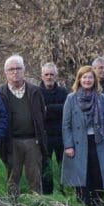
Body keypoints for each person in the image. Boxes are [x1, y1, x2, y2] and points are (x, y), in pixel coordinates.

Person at [61, 65, 104, 206]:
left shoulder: (103, 99)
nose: (87, 80)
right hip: (78, 144)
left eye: (90, 77)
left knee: (98, 175)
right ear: (79, 79)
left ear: (94, 80)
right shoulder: (71, 98)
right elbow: (66, 125)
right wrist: (68, 145)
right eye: (84, 77)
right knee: (82, 175)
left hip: (99, 142)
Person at [0, 55, 47, 196]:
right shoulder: (0, 94)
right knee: (13, 177)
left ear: (24, 70)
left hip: (33, 140)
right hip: (11, 141)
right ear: (5, 72)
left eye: (18, 68)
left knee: (35, 177)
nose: (15, 72)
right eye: (11, 69)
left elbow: (42, 113)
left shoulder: (35, 91)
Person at [39, 62, 68, 194]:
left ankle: (65, 192)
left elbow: (67, 110)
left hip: (61, 135)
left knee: (64, 166)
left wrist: (48, 109)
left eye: (51, 74)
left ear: (56, 76)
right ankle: (47, 194)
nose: (49, 77)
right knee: (46, 167)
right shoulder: (36, 92)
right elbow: (38, 112)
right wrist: (58, 109)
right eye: (46, 74)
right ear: (42, 76)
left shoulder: (63, 92)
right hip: (44, 136)